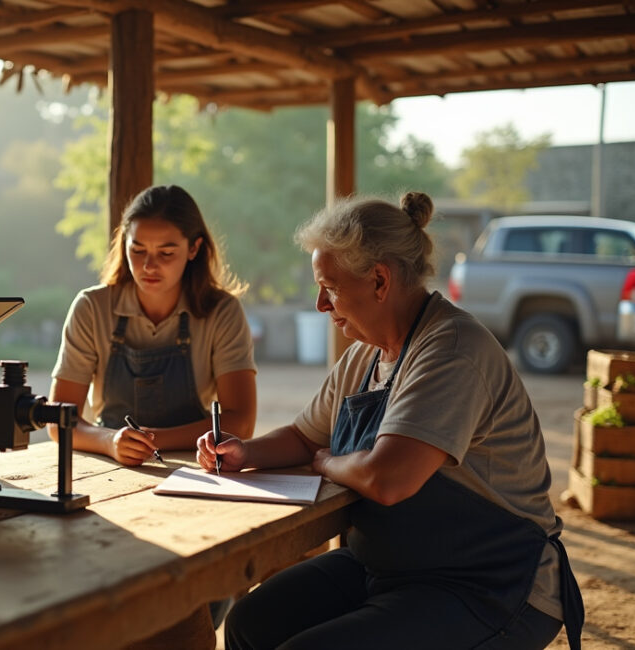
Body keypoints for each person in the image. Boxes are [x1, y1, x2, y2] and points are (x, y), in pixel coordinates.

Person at [198, 192, 585, 650]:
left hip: (489, 584)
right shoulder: (365, 354)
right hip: (392, 565)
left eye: (331, 287)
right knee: (250, 621)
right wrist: (245, 451)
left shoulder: (451, 350)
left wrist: (325, 462)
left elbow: (388, 479)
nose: (321, 304)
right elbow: (305, 437)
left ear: (379, 281)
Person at [49, 183, 257, 464]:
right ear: (124, 243)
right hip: (108, 464)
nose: (149, 265)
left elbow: (241, 422)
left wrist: (147, 441)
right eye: (137, 250)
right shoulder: (91, 308)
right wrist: (110, 441)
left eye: (166, 253)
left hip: (195, 465)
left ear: (194, 248)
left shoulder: (222, 311)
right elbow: (59, 420)